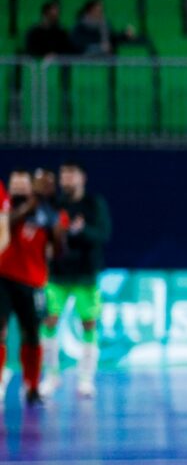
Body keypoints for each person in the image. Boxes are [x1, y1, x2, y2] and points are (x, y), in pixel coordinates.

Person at [39, 161, 110, 400]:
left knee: (89, 324)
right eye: (63, 174)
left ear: (82, 177)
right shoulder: (54, 205)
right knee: (49, 321)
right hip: (57, 274)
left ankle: (86, 379)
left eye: (72, 174)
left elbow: (103, 234)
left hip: (85, 275)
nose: (67, 178)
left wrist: (82, 230)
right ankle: (51, 375)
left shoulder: (93, 204)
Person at [1, 169, 61, 405]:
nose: (17, 188)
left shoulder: (47, 212)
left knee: (33, 335)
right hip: (3, 278)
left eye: (22, 184)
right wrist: (33, 202)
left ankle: (32, 387)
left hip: (34, 282)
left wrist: (54, 222)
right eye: (13, 183)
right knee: (0, 330)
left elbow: (58, 249)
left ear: (31, 186)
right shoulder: (6, 209)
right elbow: (10, 221)